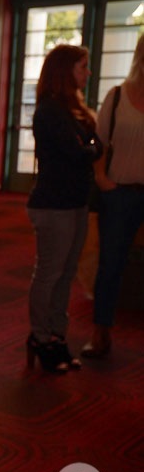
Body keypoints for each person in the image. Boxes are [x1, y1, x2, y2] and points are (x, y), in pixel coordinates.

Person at [25, 45, 100, 372]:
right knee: (50, 274)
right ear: (64, 70)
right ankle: (41, 338)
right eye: (83, 66)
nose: (88, 73)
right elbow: (79, 153)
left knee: (66, 274)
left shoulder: (73, 109)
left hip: (76, 201)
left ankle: (57, 336)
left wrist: (91, 147)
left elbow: (90, 146)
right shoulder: (49, 110)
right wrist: (92, 148)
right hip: (53, 204)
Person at [84, 32, 144, 358]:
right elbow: (99, 142)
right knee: (110, 265)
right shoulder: (117, 95)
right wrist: (101, 178)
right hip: (119, 193)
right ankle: (101, 331)